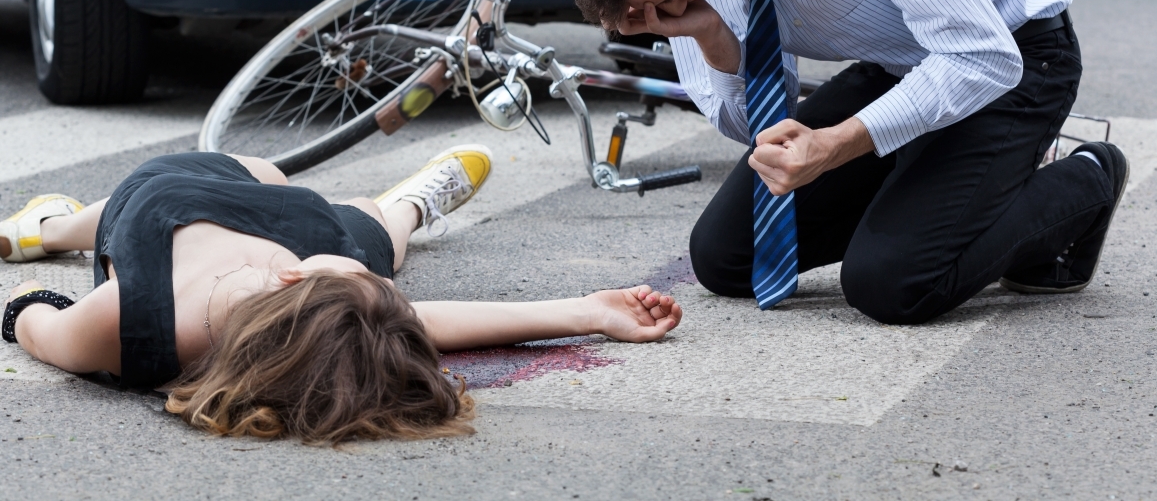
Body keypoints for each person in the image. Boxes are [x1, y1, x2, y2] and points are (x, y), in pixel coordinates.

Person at [553, 0, 1128, 323]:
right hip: (899, 61)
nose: (665, 14)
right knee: (726, 258)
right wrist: (709, 33)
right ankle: (941, 190)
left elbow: (978, 56)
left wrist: (836, 144)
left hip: (1011, 59)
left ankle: (1086, 180)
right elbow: (754, 129)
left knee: (894, 282)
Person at [0, 146, 682, 444]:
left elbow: (37, 328)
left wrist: (27, 301)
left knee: (161, 193)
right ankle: (412, 206)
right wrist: (587, 312)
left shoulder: (129, 324)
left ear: (296, 280)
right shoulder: (334, 290)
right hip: (295, 220)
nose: (381, 294)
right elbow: (419, 321)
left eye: (358, 287)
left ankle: (48, 227)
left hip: (163, 200)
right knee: (373, 233)